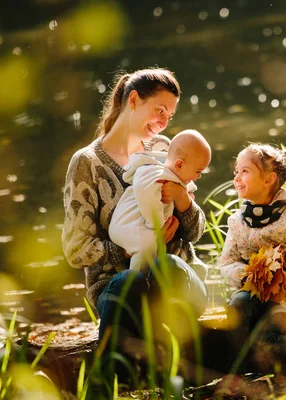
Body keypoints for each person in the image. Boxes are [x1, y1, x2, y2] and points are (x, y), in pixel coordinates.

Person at [61, 68, 208, 367]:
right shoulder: (87, 163)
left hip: (175, 279)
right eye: (159, 110)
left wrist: (181, 198)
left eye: (170, 115)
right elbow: (76, 249)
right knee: (130, 282)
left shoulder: (166, 151)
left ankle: (186, 367)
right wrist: (128, 249)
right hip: (119, 288)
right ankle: (116, 374)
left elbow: (196, 232)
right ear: (133, 100)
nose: (165, 122)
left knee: (167, 265)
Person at [218, 143, 286, 376]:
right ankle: (234, 366)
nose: (237, 177)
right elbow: (226, 262)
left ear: (269, 180)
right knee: (238, 307)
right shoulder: (237, 221)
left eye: (245, 171)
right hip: (254, 292)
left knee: (268, 335)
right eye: (236, 171)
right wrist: (248, 274)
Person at [109, 129, 211, 273]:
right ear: (179, 165)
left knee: (152, 248)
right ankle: (138, 280)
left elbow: (194, 233)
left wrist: (182, 196)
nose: (199, 177)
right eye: (198, 171)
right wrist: (156, 224)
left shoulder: (175, 173)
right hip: (127, 225)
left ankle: (147, 279)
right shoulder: (153, 172)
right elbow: (146, 195)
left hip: (167, 256)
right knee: (146, 246)